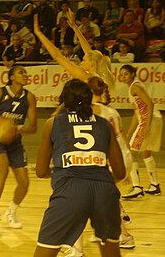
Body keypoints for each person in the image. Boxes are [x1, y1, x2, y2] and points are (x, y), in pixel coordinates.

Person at [33, 78, 126, 257]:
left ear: (64, 101)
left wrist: (65, 170)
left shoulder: (53, 123)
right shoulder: (104, 123)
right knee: (111, 253)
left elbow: (40, 171)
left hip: (70, 190)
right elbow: (120, 172)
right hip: (105, 191)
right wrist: (97, 175)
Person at [0, 65, 37, 235]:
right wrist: (0, 125)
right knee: (3, 168)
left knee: (24, 182)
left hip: (15, 141)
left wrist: (15, 129)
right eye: (21, 72)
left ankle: (11, 212)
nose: (25, 75)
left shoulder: (30, 98)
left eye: (26, 73)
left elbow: (33, 127)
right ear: (11, 77)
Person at [33, 8, 115, 90]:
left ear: (92, 63)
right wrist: (74, 27)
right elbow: (88, 50)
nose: (81, 63)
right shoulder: (101, 74)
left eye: (84, 60)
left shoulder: (86, 76)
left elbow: (57, 56)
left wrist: (39, 34)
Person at [119, 64, 163, 199]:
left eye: (126, 73)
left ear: (132, 74)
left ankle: (137, 187)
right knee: (146, 151)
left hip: (149, 120)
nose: (123, 76)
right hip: (154, 119)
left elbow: (150, 104)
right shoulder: (133, 87)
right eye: (121, 74)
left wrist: (147, 125)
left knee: (131, 152)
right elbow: (136, 113)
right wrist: (129, 132)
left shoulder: (135, 87)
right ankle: (155, 185)